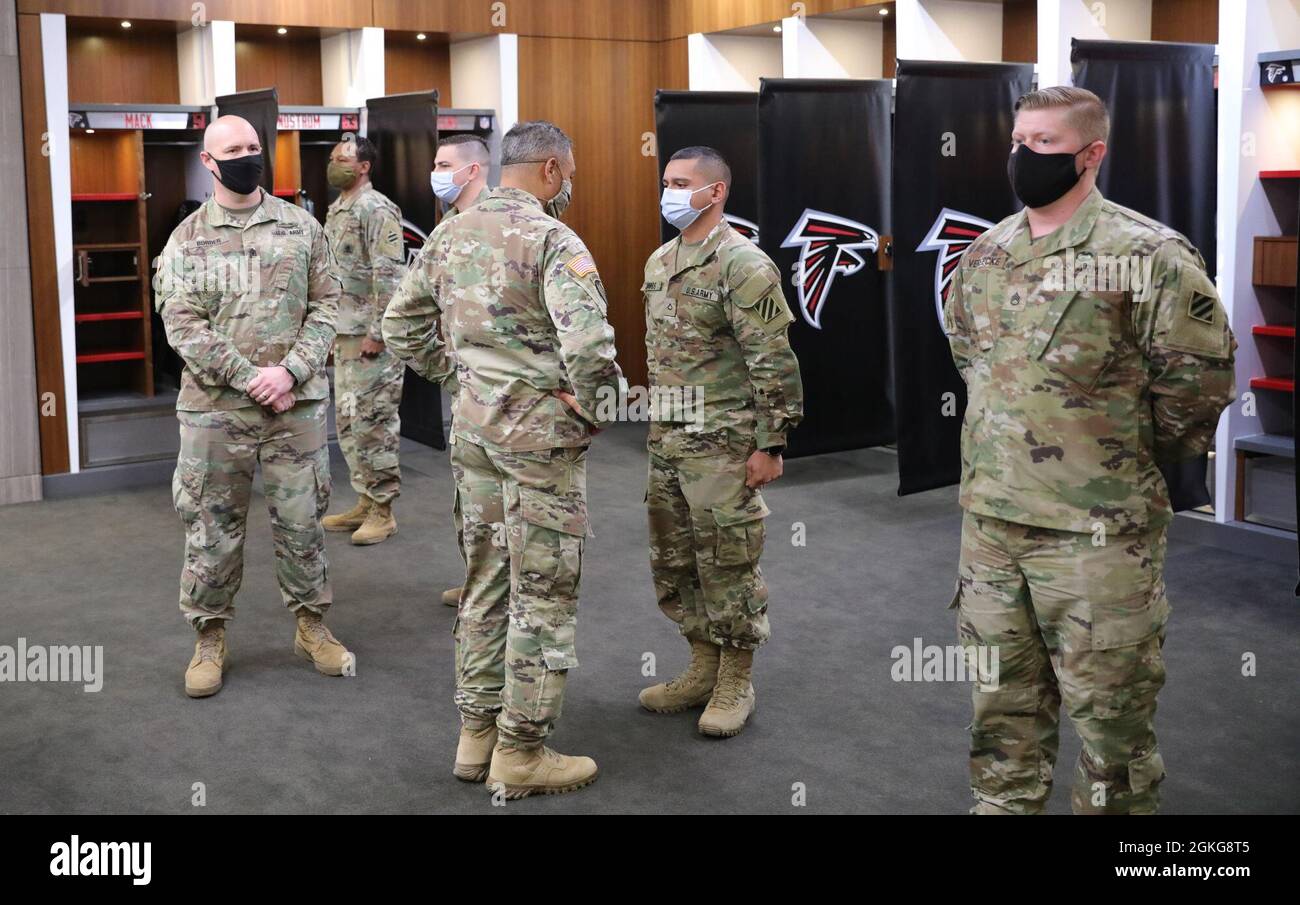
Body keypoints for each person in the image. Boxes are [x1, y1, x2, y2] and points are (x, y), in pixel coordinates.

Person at [943, 87, 1236, 814]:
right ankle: (1004, 804)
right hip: (991, 526)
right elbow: (971, 361)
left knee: (1111, 716)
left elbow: (1197, 384)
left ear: (1090, 153)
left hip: (1098, 536)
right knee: (1000, 701)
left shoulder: (1148, 254)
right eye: (1018, 139)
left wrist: (1114, 461)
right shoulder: (987, 252)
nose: (1023, 154)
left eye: (1043, 143)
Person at [383, 121, 621, 798]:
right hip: (538, 439)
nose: (569, 184)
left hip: (475, 432)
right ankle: (521, 752)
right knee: (543, 588)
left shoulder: (449, 233)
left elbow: (399, 325)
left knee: (487, 578)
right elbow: (591, 345)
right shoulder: (553, 240)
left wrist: (463, 380)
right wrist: (598, 407)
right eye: (567, 173)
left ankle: (475, 733)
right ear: (549, 170)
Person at [154, 115, 350, 698]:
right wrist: (252, 379)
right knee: (211, 526)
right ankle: (209, 637)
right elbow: (181, 325)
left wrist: (290, 370)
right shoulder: (187, 239)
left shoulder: (300, 225)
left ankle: (312, 626)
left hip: (296, 406)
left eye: (253, 147)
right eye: (232, 150)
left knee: (303, 522)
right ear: (209, 163)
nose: (247, 156)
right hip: (218, 410)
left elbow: (328, 303)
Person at [637, 146, 804, 738]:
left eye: (682, 183)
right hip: (668, 440)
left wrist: (771, 443)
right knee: (675, 560)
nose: (670, 193)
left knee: (728, 560)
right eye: (666, 181)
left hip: (726, 444)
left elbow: (772, 360)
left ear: (716, 192)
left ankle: (736, 675)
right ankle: (702, 663)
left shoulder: (743, 264)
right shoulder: (661, 261)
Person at [320, 136, 406, 546]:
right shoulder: (337, 209)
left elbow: (390, 276)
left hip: (372, 342)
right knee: (350, 422)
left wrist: (378, 332)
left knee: (374, 424)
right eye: (334, 158)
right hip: (345, 335)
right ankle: (364, 499)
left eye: (344, 159)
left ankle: (383, 511)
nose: (336, 164)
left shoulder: (376, 209)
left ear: (365, 166)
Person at [429, 133, 491, 608]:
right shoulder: (447, 228)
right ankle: (478, 576)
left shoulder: (505, 222)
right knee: (470, 493)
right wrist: (447, 372)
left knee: (508, 498)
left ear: (473, 170)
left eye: (445, 164)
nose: (436, 172)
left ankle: (501, 588)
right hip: (468, 385)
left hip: (512, 391)